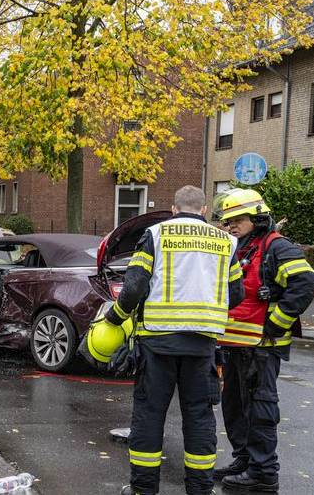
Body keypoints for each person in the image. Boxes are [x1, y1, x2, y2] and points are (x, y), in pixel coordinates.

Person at [100, 185, 245, 495]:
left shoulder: (156, 235)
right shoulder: (226, 242)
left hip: (157, 344)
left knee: (149, 416)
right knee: (199, 418)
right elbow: (236, 293)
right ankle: (200, 489)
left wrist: (114, 318)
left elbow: (134, 287)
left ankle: (143, 489)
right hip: (202, 346)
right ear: (203, 210)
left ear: (174, 209)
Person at [214, 189, 314, 493]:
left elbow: (305, 282)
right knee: (234, 406)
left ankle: (263, 472)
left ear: (258, 217)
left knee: (259, 408)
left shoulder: (277, 247)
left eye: (239, 219)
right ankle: (245, 460)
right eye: (228, 220)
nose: (231, 225)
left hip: (262, 346)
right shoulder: (242, 246)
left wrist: (276, 323)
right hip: (235, 344)